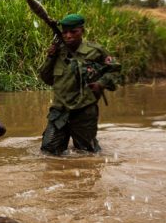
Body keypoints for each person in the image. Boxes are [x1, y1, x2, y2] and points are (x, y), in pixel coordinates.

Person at [38, 13, 122, 155]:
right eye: (65, 32)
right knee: (48, 153)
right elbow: (46, 79)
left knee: (87, 154)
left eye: (73, 32)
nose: (68, 36)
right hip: (59, 111)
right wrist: (50, 57)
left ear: (82, 31)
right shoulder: (58, 52)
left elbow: (115, 70)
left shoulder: (95, 51)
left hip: (84, 111)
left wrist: (101, 84)